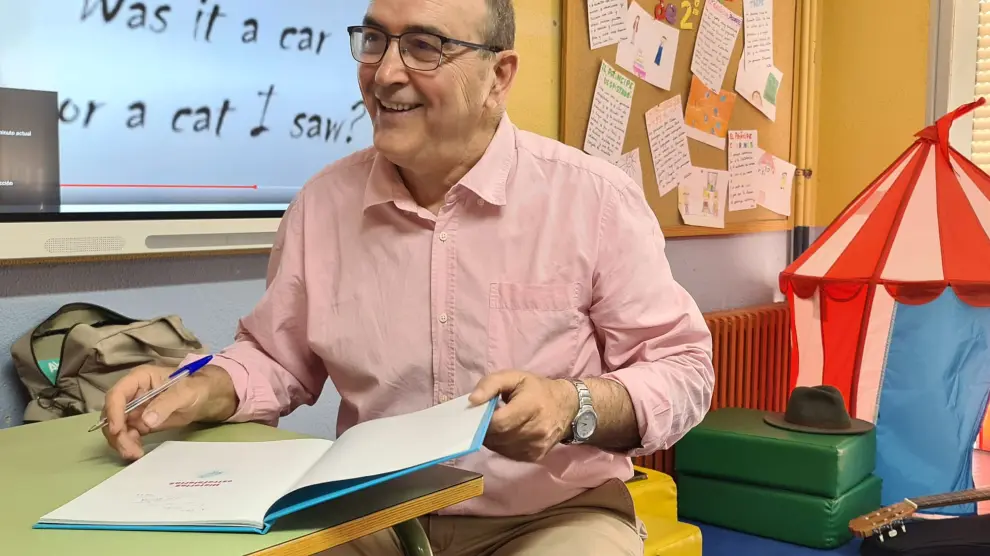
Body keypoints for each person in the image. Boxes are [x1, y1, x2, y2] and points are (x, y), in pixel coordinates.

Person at [100, 0, 715, 554]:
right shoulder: (321, 206)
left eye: (424, 46)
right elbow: (277, 358)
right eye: (374, 41)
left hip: (551, 516)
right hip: (371, 517)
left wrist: (571, 405)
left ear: (498, 76)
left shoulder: (592, 199)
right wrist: (198, 387)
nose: (385, 73)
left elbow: (684, 372)